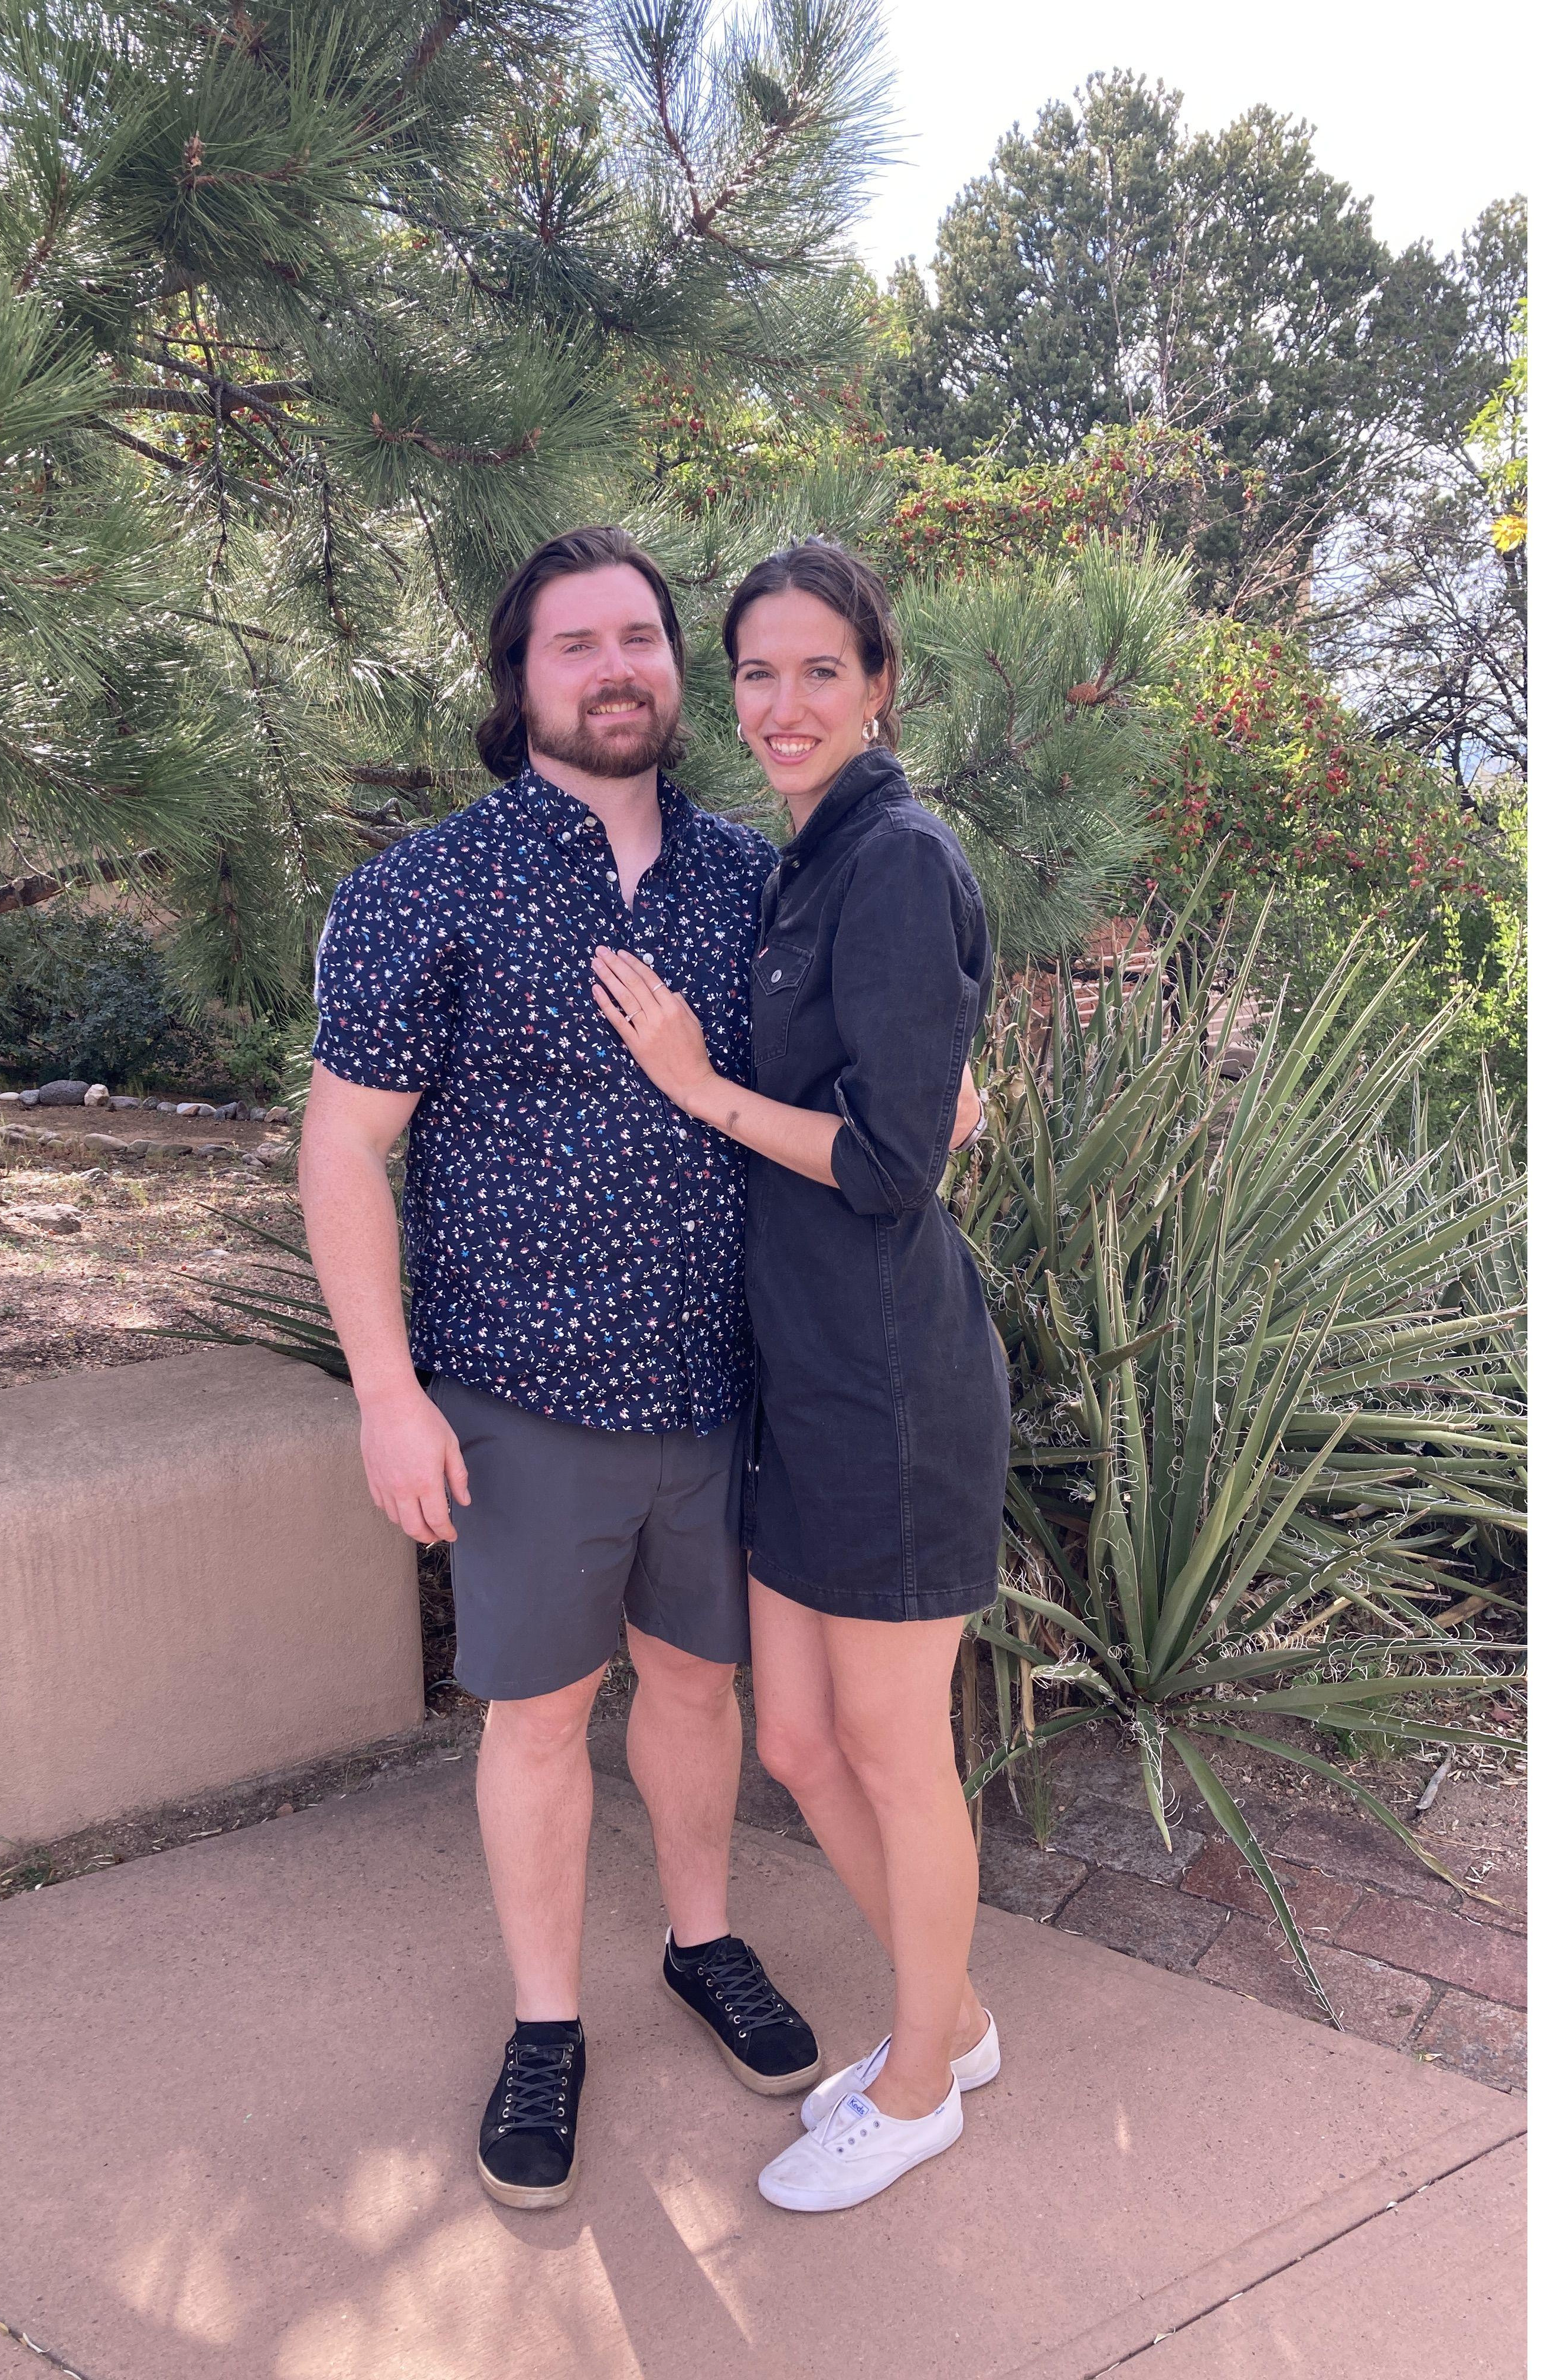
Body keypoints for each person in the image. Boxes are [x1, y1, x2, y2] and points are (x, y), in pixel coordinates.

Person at [297, 526, 827, 2212]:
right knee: (536, 1719)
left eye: (641, 638)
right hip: (519, 1394)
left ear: (678, 669)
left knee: (697, 1688)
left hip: (724, 1384)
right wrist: (387, 1392)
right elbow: (342, 1149)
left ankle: (702, 1940)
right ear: (517, 680)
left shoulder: (752, 880)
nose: (615, 668)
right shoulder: (425, 889)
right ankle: (545, 2025)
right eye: (574, 643)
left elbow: (832, 1092)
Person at [590, 537, 1010, 2214]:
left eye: (820, 670)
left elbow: (895, 1163)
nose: (783, 703)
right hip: (805, 1373)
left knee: (894, 1754)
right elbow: (921, 1086)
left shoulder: (894, 856)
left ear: (879, 684)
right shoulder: (813, 856)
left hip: (892, 1383)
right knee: (803, 1748)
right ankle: (951, 2017)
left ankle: (918, 2089)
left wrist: (696, 1087)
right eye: (756, 672)